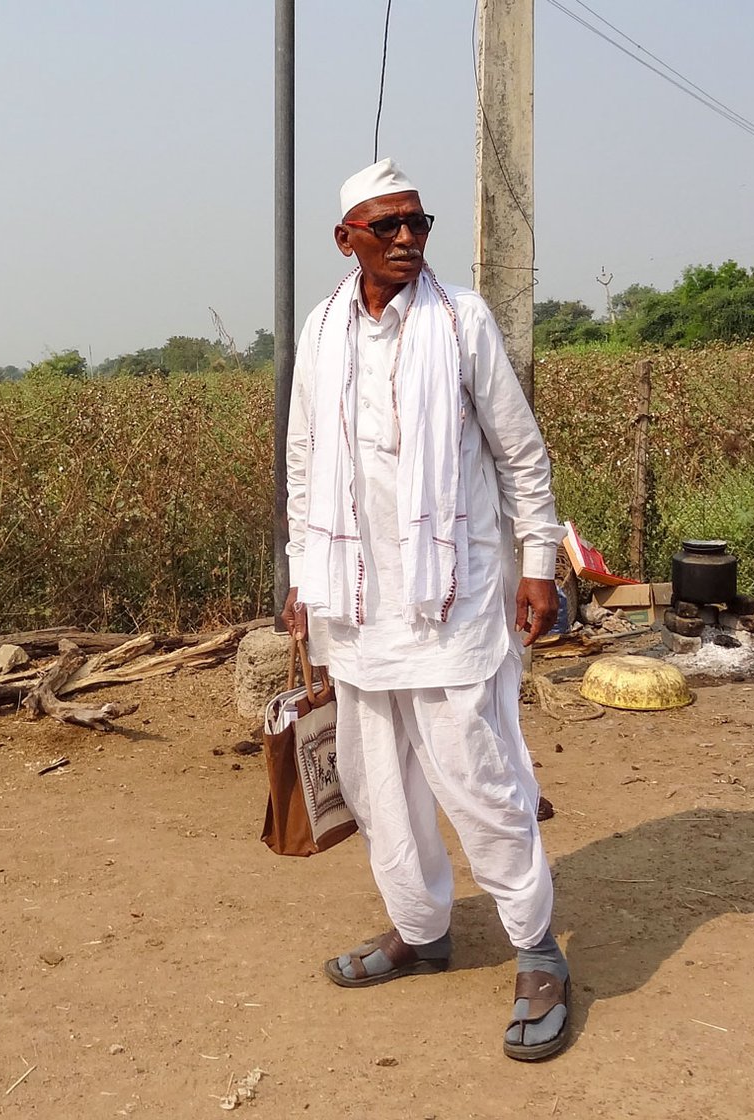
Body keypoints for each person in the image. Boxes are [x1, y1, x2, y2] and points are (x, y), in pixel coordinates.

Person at [283, 158, 571, 1060]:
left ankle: (537, 951)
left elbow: (521, 456)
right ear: (348, 241)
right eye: (388, 226)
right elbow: (301, 463)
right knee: (378, 783)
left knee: (477, 777)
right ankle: (421, 929)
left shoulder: (464, 321)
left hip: (454, 600)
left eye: (418, 223)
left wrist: (537, 563)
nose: (408, 238)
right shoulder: (323, 330)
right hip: (355, 604)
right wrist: (300, 575)